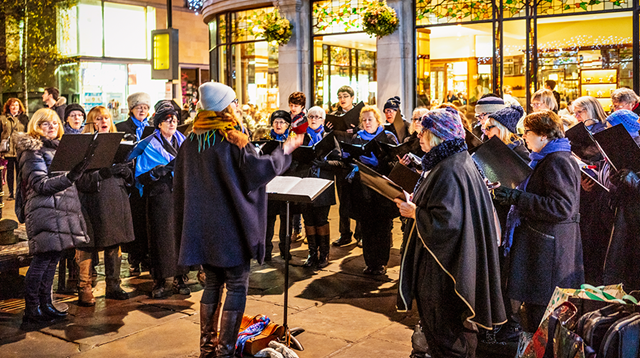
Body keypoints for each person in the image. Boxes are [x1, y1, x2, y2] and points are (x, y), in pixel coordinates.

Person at [174, 82, 302, 357]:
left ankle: (207, 349)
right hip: (230, 227)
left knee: (211, 283)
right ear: (223, 107)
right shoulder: (232, 139)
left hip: (202, 228)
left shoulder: (190, 141)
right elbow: (258, 170)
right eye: (232, 102)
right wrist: (285, 151)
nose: (237, 107)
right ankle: (226, 352)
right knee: (235, 284)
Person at [395, 106, 506, 358]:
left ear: (438, 135)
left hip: (444, 268)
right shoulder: (452, 160)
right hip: (448, 263)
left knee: (446, 331)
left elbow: (448, 223)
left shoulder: (449, 168)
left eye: (424, 132)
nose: (419, 137)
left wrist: (415, 213)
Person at [493, 110, 582, 333]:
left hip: (549, 254)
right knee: (535, 317)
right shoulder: (547, 158)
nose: (524, 136)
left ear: (544, 134)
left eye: (528, 132)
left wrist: (517, 197)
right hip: (542, 250)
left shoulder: (557, 161)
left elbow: (561, 207)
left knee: (543, 321)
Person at [15, 108, 92, 327]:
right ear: (35, 127)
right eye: (45, 124)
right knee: (41, 261)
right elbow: (40, 185)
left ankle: (45, 304)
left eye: (55, 124)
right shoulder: (32, 151)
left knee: (53, 259)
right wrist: (70, 177)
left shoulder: (58, 148)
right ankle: (32, 309)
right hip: (44, 210)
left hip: (60, 211)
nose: (51, 127)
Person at [74, 106, 134, 306]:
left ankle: (114, 285)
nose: (104, 121)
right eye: (98, 118)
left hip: (115, 198)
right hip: (92, 201)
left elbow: (129, 176)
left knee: (114, 243)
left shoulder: (119, 143)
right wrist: (101, 174)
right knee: (88, 245)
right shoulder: (83, 146)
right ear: (91, 122)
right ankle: (85, 287)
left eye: (106, 118)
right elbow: (79, 180)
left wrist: (126, 173)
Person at [131, 100, 189, 298]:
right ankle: (160, 280)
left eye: (174, 120)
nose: (172, 123)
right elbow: (140, 175)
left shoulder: (184, 141)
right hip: (160, 197)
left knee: (181, 238)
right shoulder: (149, 144)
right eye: (167, 120)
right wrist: (157, 172)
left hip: (180, 195)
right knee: (160, 239)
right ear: (158, 124)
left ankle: (181, 278)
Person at [349, 105, 399, 275]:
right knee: (367, 227)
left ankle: (381, 263)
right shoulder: (357, 137)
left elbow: (396, 163)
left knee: (382, 227)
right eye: (364, 120)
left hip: (382, 189)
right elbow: (350, 158)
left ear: (378, 120)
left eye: (370, 119)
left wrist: (379, 163)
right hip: (363, 189)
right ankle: (370, 263)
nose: (367, 123)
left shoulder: (388, 137)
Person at [117, 92, 152, 276]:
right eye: (139, 107)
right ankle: (134, 258)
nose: (142, 110)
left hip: (146, 177)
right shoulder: (121, 127)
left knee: (146, 218)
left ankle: (146, 256)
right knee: (134, 218)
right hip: (131, 179)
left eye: (145, 108)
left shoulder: (152, 127)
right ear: (131, 109)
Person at [300, 106, 336, 268]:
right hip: (305, 183)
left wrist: (325, 163)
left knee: (321, 219)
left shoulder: (328, 137)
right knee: (308, 219)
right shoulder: (301, 137)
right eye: (311, 116)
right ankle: (312, 253)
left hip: (323, 183)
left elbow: (339, 161)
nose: (313, 119)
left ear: (323, 119)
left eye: (317, 117)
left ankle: (325, 253)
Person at [1, 98, 29, 201]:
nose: (14, 107)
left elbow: (28, 132)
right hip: (7, 150)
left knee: (20, 172)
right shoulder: (3, 118)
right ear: (8, 107)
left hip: (20, 149)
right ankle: (11, 193)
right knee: (9, 173)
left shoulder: (24, 118)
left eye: (16, 105)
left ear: (20, 107)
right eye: (12, 105)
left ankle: (20, 192)